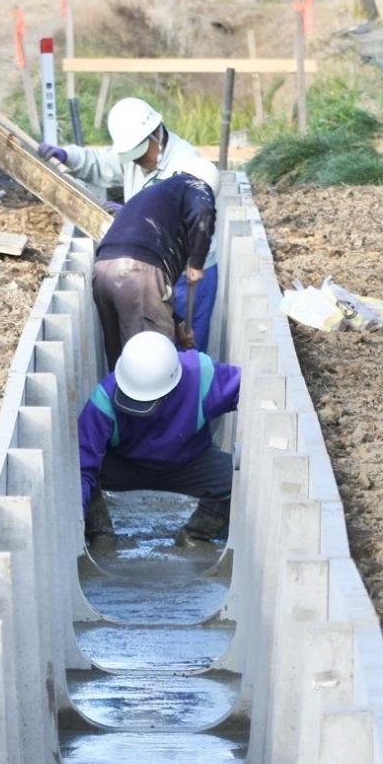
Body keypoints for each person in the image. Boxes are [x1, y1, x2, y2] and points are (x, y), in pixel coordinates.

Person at [41, 97, 222, 348]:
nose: (136, 160)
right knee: (150, 344)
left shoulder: (185, 162)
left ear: (156, 134)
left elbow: (195, 216)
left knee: (187, 347)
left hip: (186, 270)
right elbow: (100, 163)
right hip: (152, 264)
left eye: (140, 152)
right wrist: (68, 156)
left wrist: (133, 215)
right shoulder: (134, 157)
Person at [79, 330, 241, 546]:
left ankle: (196, 533)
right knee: (81, 473)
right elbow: (82, 467)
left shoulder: (201, 376)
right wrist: (77, 524)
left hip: (190, 463)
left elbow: (248, 390)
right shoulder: (103, 399)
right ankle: (101, 534)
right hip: (125, 466)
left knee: (240, 479)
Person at [90, 171, 216, 366]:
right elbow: (203, 210)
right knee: (153, 363)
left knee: (121, 363)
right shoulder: (193, 185)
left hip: (103, 269)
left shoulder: (155, 200)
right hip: (136, 272)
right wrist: (196, 264)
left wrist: (179, 326)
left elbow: (154, 299)